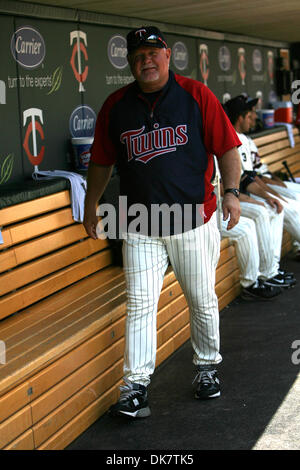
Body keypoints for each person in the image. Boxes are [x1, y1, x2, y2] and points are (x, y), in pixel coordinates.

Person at [83, 26, 242, 419]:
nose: (145, 61)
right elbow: (101, 161)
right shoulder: (116, 105)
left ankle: (207, 368)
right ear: (129, 63)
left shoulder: (196, 95)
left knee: (201, 299)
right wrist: (91, 204)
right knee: (139, 303)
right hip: (139, 221)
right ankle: (135, 386)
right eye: (137, 55)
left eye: (152, 53)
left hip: (192, 217)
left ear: (167, 55)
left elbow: (227, 148)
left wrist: (232, 192)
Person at [223, 95, 296, 288]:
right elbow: (244, 180)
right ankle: (268, 272)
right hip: (232, 197)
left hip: (245, 191)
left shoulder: (242, 138)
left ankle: (271, 269)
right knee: (271, 209)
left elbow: (252, 175)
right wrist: (265, 196)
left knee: (277, 208)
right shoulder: (229, 139)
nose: (255, 117)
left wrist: (272, 191)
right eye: (251, 113)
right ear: (240, 117)